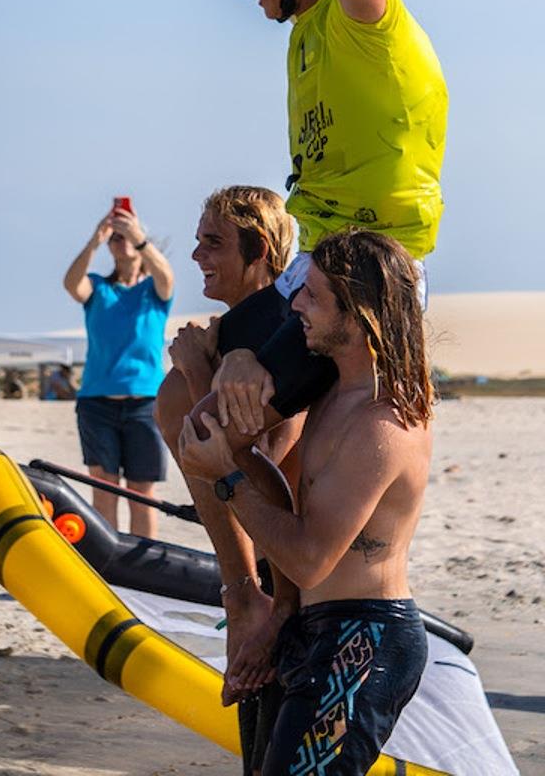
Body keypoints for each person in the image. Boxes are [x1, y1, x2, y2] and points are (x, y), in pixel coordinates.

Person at [191, 0, 448, 697]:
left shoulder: (360, 23)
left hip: (367, 275)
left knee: (232, 409)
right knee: (192, 377)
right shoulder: (302, 33)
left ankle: (283, 599)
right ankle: (248, 596)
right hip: (316, 265)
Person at [179, 229, 434, 776]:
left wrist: (225, 475)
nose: (295, 304)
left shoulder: (381, 424)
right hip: (314, 624)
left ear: (360, 313)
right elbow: (291, 506)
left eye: (313, 295)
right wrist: (280, 617)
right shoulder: (332, 396)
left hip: (365, 640)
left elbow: (310, 556)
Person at [155, 184, 302, 775]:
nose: (196, 257)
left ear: (260, 247)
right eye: (195, 243)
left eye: (212, 243)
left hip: (291, 587)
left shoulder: (279, 340)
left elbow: (258, 462)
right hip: (277, 579)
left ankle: (242, 597)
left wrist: (194, 376)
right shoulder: (243, 333)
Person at [63, 202, 174, 539]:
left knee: (142, 496)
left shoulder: (154, 291)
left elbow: (167, 276)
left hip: (145, 405)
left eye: (125, 235)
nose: (120, 240)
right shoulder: (98, 288)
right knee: (104, 490)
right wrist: (96, 240)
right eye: (115, 237)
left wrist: (137, 236)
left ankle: (141, 572)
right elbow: (71, 284)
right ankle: (109, 570)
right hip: (97, 404)